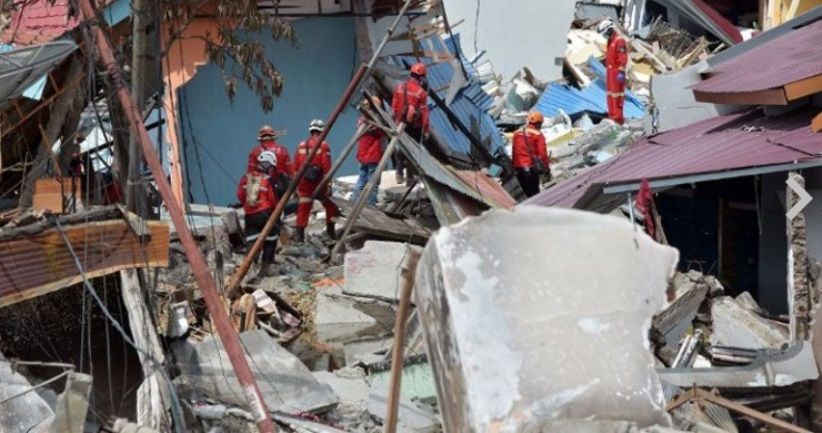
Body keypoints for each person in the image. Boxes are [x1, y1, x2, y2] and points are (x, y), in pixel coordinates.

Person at [294, 119, 338, 243]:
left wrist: (297, 185)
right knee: (330, 205)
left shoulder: (301, 145)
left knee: (303, 206)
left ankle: (299, 235)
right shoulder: (324, 145)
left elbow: (296, 167)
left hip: (304, 182)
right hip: (318, 182)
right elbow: (326, 166)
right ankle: (330, 231)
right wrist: (328, 183)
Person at [237, 150, 280, 274]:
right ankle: (266, 266)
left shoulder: (246, 178)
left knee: (252, 239)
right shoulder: (268, 180)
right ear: (269, 166)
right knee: (271, 237)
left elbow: (240, 195)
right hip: (265, 212)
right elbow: (272, 200)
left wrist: (247, 206)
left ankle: (249, 267)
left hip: (249, 214)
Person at [391, 62, 430, 184]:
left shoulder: (399, 87)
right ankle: (409, 178)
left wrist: (395, 121)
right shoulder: (421, 93)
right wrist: (426, 130)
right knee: (412, 150)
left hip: (400, 123)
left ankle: (398, 173)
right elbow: (424, 114)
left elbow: (394, 106)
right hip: (414, 126)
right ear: (422, 77)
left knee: (400, 147)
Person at [352, 96, 387, 205]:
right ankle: (371, 204)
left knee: (362, 179)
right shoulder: (374, 121)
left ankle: (355, 202)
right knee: (373, 182)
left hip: (362, 155)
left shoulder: (361, 120)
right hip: (373, 155)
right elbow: (383, 132)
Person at [511, 112, 550, 198]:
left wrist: (513, 165)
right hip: (530, 168)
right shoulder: (537, 134)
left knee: (526, 194)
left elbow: (514, 150)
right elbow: (543, 154)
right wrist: (546, 168)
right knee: (534, 193)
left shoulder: (516, 133)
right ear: (538, 123)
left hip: (518, 168)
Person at [602, 20, 629, 125]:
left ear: (609, 29)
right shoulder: (610, 40)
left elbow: (623, 58)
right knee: (610, 95)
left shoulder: (619, 40)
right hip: (610, 72)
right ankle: (612, 116)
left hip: (618, 72)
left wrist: (620, 74)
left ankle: (618, 118)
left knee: (617, 96)